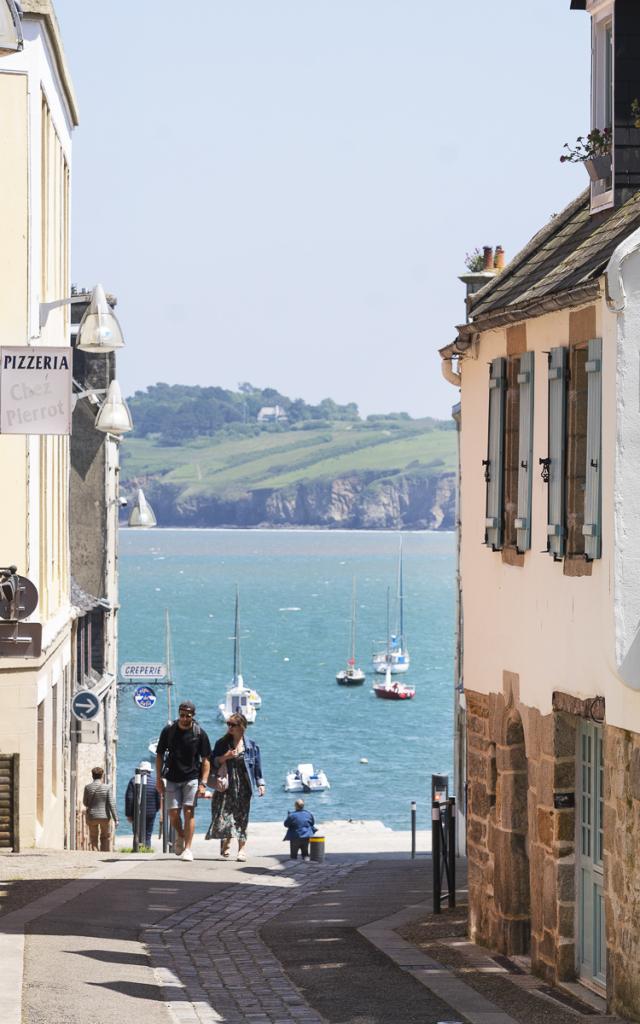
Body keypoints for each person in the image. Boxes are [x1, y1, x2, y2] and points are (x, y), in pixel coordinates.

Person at [155, 700, 211, 862]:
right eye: (182, 715)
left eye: (188, 716)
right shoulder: (169, 731)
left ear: (193, 716)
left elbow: (206, 760)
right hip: (171, 777)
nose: (184, 718)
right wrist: (158, 778)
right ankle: (181, 835)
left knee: (188, 812)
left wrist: (203, 783)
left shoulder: (199, 733)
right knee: (172, 814)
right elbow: (159, 755)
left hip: (191, 778)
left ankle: (188, 848)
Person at [205, 712, 265, 861]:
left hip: (244, 786)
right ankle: (225, 840)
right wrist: (226, 757)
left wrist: (260, 784)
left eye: (233, 725)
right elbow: (213, 762)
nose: (229, 727)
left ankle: (242, 849)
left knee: (241, 817)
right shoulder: (222, 743)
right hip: (225, 785)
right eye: (228, 724)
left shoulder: (251, 745)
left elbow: (257, 766)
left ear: (242, 727)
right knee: (223, 816)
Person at [125, 762, 162, 847]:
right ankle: (147, 849)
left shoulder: (133, 781)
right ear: (149, 771)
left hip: (136, 812)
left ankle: (136, 849)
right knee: (148, 834)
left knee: (136, 833)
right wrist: (155, 810)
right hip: (151, 812)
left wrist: (129, 814)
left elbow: (129, 798)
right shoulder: (154, 782)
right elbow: (159, 799)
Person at [83, 766, 118, 852]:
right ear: (102, 776)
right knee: (105, 837)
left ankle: (95, 852)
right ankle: (104, 853)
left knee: (93, 837)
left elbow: (85, 803)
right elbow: (111, 804)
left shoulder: (88, 787)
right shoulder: (107, 788)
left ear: (92, 776)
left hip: (92, 816)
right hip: (104, 817)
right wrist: (116, 819)